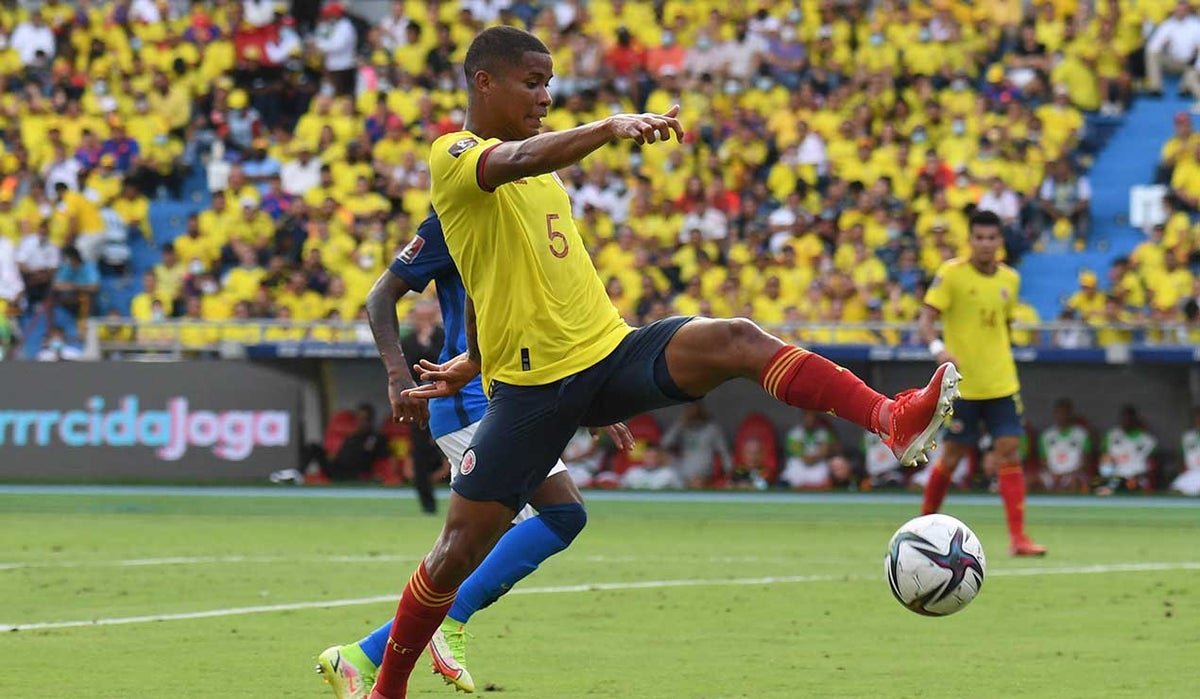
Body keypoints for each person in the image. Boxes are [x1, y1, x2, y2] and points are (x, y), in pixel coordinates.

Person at [367, 27, 959, 699]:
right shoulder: (454, 154)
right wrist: (612, 124)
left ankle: (891, 417)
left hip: (607, 352)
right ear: (484, 82)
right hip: (532, 391)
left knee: (734, 336)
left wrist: (476, 354)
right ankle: (387, 685)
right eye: (532, 82)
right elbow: (514, 174)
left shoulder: (537, 176)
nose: (545, 94)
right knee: (457, 551)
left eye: (549, 82)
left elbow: (492, 275)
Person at [316, 213, 634, 699]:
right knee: (559, 515)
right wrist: (398, 377)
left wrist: (591, 396)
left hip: (517, 394)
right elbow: (380, 295)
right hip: (472, 400)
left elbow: (547, 319)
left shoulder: (529, 215)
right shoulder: (457, 218)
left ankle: (361, 656)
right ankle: (448, 621)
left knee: (483, 543)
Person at [918, 209, 1046, 557]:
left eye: (992, 238)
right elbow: (926, 319)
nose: (986, 244)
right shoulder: (951, 274)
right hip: (962, 386)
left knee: (1008, 451)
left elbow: (1002, 327)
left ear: (1000, 242)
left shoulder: (1010, 280)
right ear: (970, 241)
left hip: (1002, 383)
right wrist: (937, 348)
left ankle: (1018, 538)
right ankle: (921, 527)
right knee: (953, 455)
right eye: (980, 238)